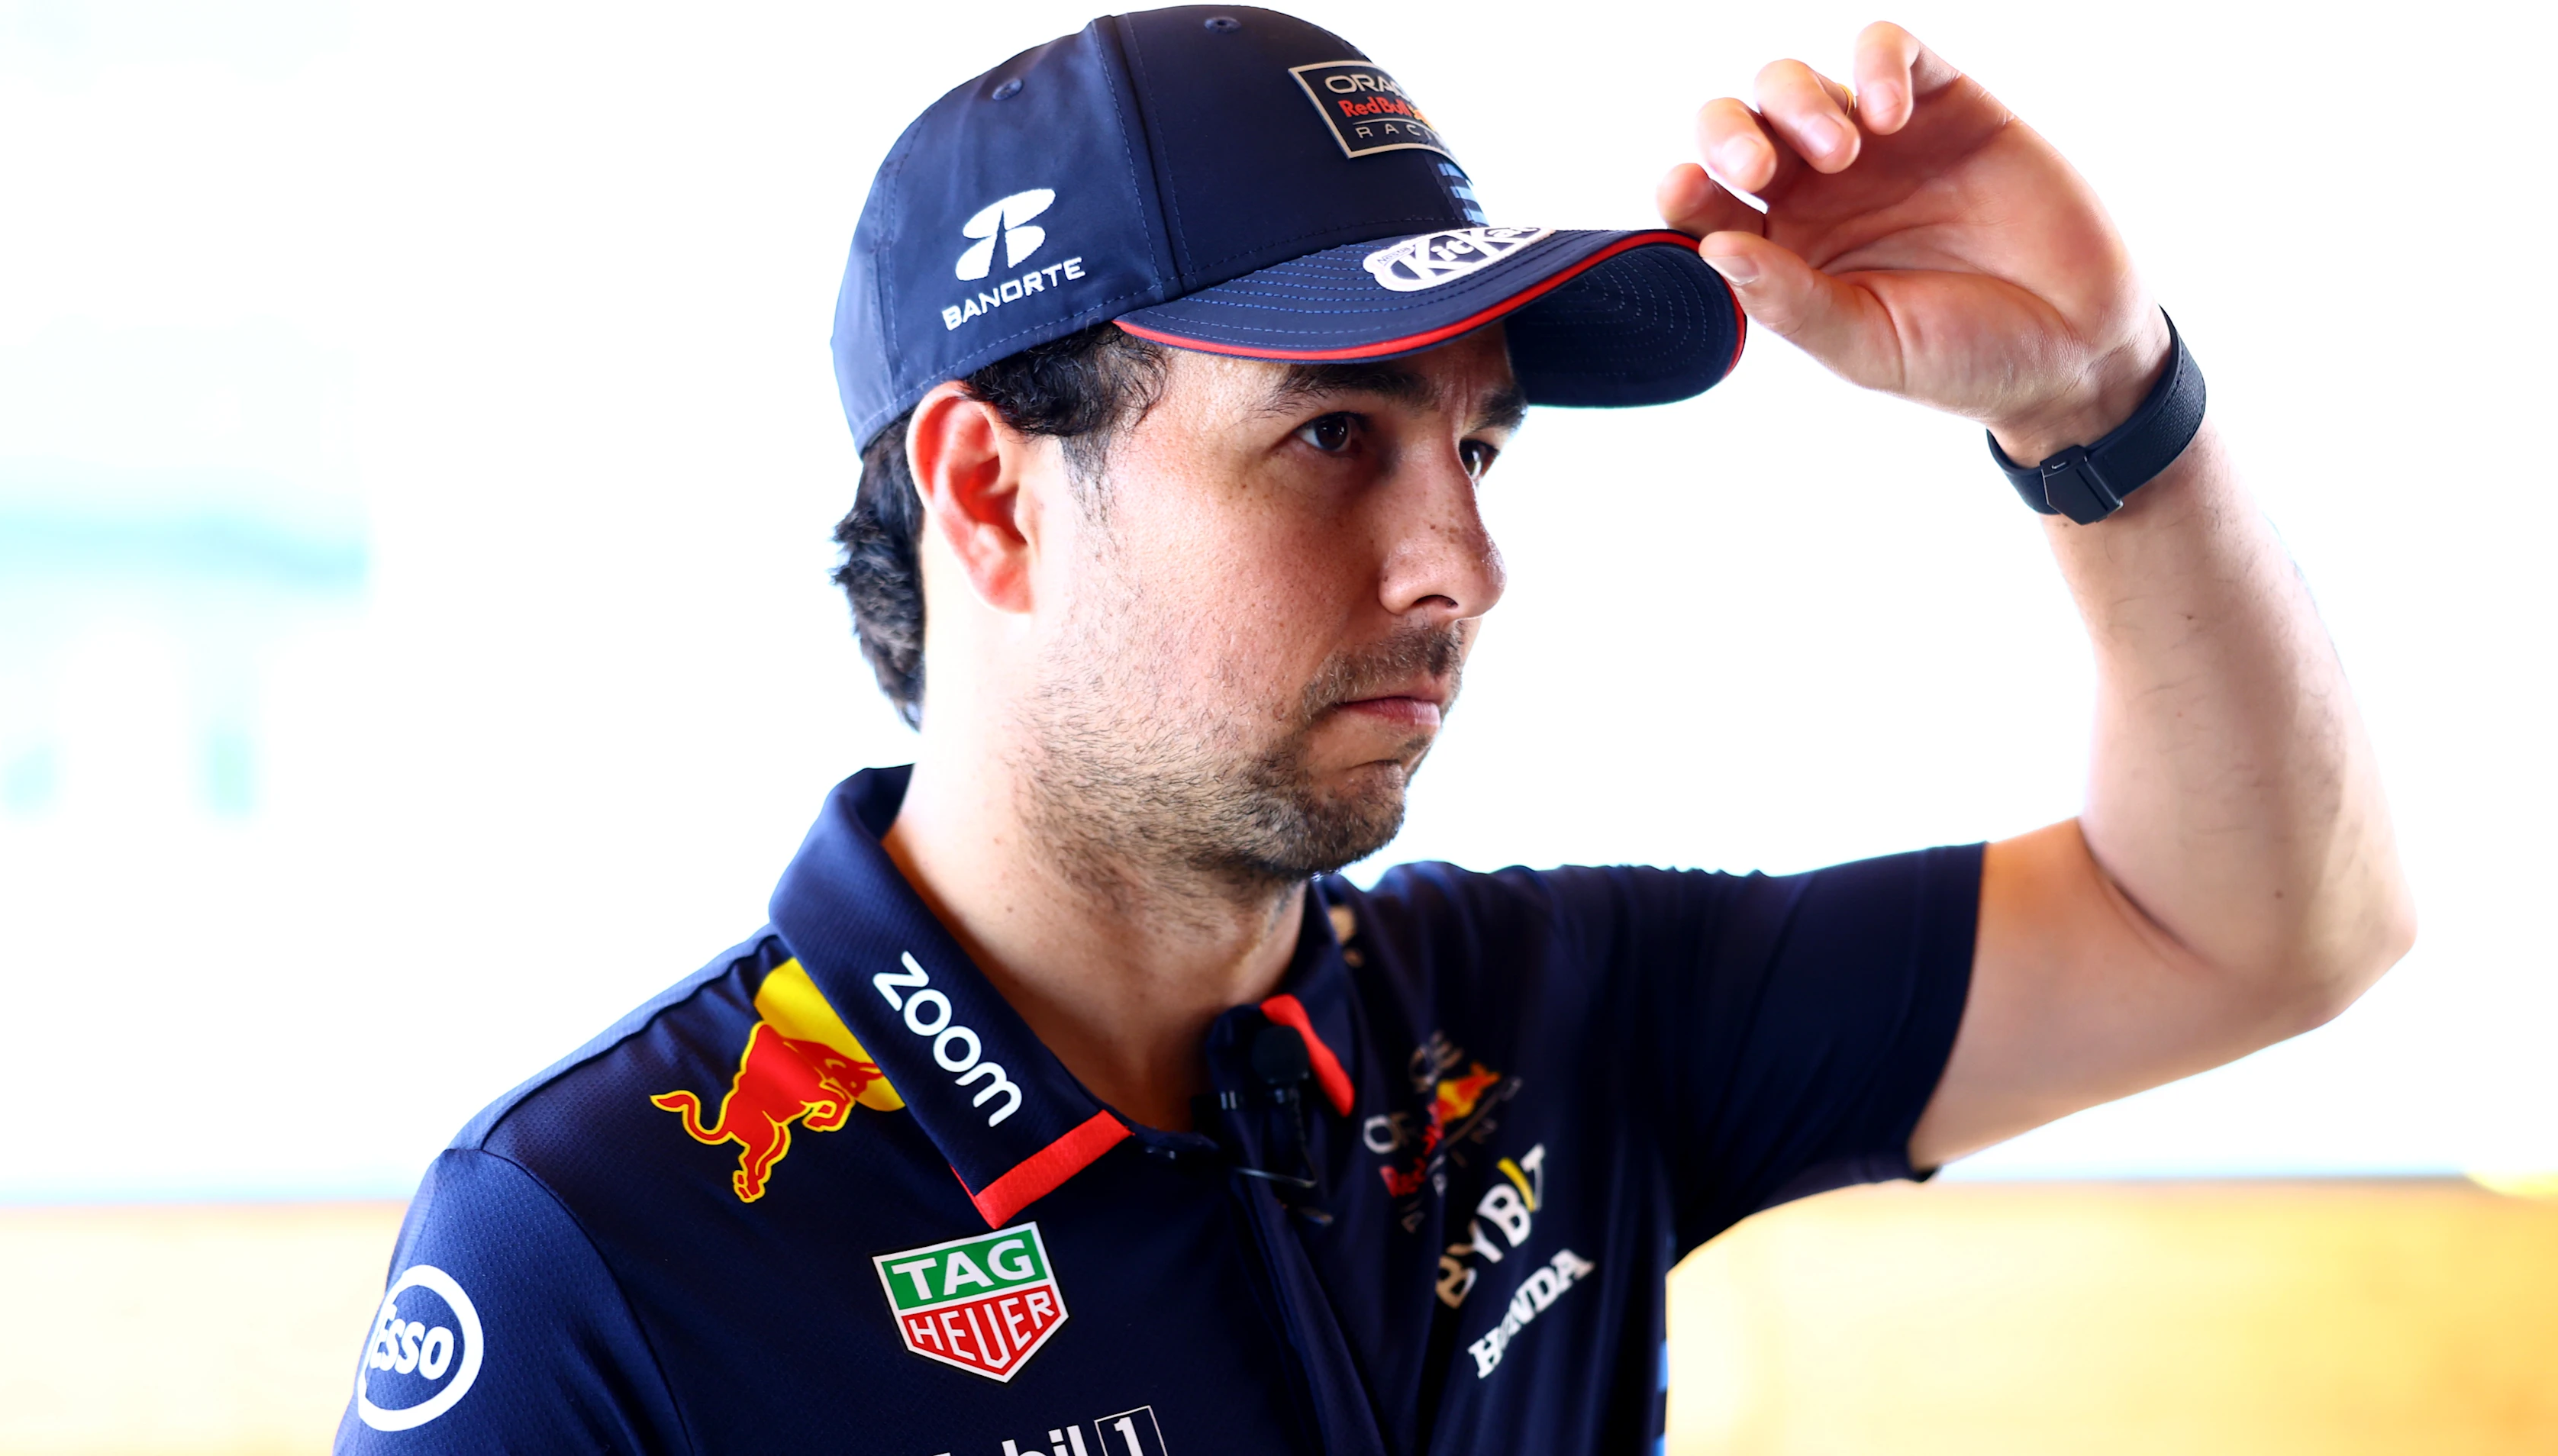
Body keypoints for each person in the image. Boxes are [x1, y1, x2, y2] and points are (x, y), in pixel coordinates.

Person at [337, 8, 2413, 1454]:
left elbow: (2262, 927)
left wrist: (2099, 399)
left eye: (1478, 447)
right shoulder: (600, 1241)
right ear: (989, 495)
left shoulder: (1546, 1016)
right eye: (1333, 435)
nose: (1464, 567)